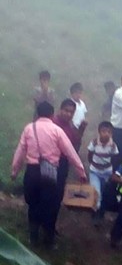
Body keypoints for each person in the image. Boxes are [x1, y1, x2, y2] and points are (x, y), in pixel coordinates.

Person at [11, 101, 87, 249]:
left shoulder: (29, 128)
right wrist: (81, 171)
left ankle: (33, 238)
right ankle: (49, 240)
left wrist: (15, 171)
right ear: (52, 114)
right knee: (49, 205)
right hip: (50, 173)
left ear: (38, 113)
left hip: (32, 172)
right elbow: (70, 152)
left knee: (33, 204)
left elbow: (20, 151)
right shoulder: (57, 130)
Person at [53, 99, 84, 205]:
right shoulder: (53, 122)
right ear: (60, 110)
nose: (69, 114)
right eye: (66, 111)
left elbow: (75, 143)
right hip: (51, 161)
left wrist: (82, 129)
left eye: (71, 112)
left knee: (59, 190)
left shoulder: (69, 126)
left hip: (63, 162)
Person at [88, 121, 119, 224]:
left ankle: (100, 212)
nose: (106, 134)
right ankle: (95, 213)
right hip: (95, 172)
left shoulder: (113, 146)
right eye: (104, 131)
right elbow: (90, 154)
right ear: (99, 132)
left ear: (112, 134)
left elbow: (115, 158)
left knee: (103, 193)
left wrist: (112, 171)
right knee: (96, 192)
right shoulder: (94, 143)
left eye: (109, 132)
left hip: (107, 173)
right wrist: (93, 164)